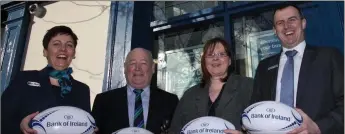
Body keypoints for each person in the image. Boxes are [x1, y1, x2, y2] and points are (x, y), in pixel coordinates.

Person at [251, 4, 344, 134]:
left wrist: (318, 127)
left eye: (292, 20)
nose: (286, 26)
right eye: (280, 23)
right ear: (274, 30)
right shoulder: (264, 67)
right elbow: (256, 111)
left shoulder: (329, 57)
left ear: (303, 23)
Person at [1, 25, 92, 134]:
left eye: (69, 45)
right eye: (56, 44)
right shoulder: (24, 79)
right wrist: (20, 126)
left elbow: (84, 122)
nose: (63, 49)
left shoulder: (82, 89)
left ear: (74, 54)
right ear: (45, 52)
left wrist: (90, 128)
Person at [169, 37, 253, 134]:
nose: (215, 58)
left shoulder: (248, 86)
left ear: (229, 60)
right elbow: (174, 131)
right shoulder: (189, 95)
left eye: (221, 54)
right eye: (210, 55)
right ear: (204, 61)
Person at [92, 48, 179, 134]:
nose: (138, 68)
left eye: (143, 63)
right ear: (125, 68)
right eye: (133, 63)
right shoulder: (103, 101)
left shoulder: (170, 101)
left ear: (152, 68)